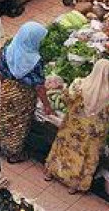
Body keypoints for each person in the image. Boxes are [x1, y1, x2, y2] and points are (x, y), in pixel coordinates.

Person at [44, 60, 109, 194]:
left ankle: (51, 173)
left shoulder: (79, 84)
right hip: (93, 133)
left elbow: (66, 98)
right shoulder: (107, 93)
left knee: (63, 149)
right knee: (83, 157)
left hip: (72, 126)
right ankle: (73, 186)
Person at [0, 21, 51, 163]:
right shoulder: (35, 61)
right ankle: (14, 154)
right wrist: (47, 105)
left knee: (3, 118)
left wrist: (5, 88)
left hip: (7, 89)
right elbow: (39, 86)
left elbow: (0, 71)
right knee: (19, 124)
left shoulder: (8, 50)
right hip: (23, 97)